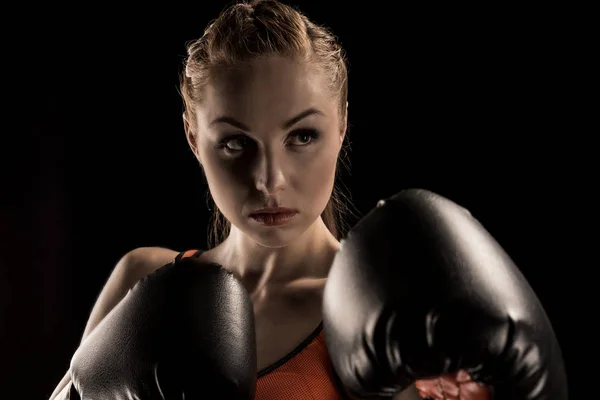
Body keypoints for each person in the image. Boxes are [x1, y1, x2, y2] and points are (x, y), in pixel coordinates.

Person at [50, 1, 558, 399]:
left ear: (341, 126)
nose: (269, 179)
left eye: (302, 137)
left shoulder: (389, 315)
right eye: (235, 143)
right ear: (192, 138)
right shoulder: (144, 278)